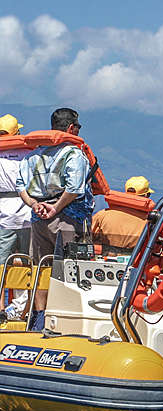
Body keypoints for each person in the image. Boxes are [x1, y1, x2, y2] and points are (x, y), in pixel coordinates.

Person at [16, 108, 93, 330]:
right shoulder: (74, 154)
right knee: (71, 268)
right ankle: (69, 318)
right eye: (78, 127)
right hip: (68, 218)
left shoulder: (33, 155)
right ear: (71, 128)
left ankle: (39, 318)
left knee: (42, 267)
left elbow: (21, 186)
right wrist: (55, 207)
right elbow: (74, 189)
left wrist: (35, 205)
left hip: (38, 219)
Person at [0, 114, 31, 322]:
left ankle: (1, 307)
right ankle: (24, 309)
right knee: (26, 261)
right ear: (16, 133)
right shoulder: (28, 154)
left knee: (1, 264)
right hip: (28, 210)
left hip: (2, 213)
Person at [91, 176, 154, 254]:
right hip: (136, 263)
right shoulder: (151, 221)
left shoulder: (102, 215)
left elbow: (87, 235)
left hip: (105, 260)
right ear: (146, 196)